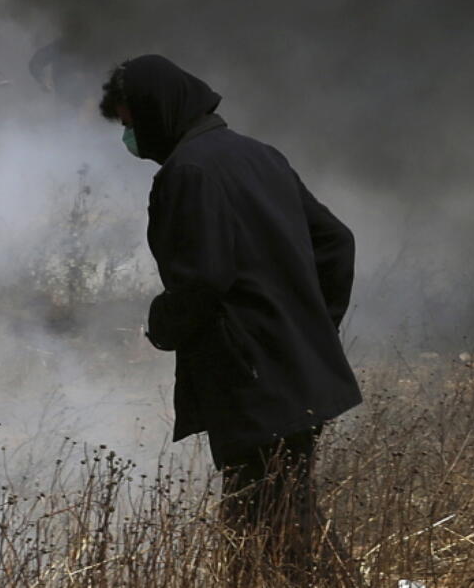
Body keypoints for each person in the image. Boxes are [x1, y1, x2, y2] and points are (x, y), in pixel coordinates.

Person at [99, 54, 362, 583]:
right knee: (273, 524)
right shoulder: (258, 154)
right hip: (293, 370)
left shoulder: (189, 172)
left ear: (158, 111)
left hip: (250, 379)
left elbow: (203, 278)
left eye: (130, 123)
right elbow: (336, 241)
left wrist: (160, 324)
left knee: (275, 528)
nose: (130, 139)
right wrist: (312, 327)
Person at [28, 37, 85, 108]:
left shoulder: (95, 45)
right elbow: (36, 62)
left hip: (91, 105)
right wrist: (43, 79)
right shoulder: (61, 45)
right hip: (64, 104)